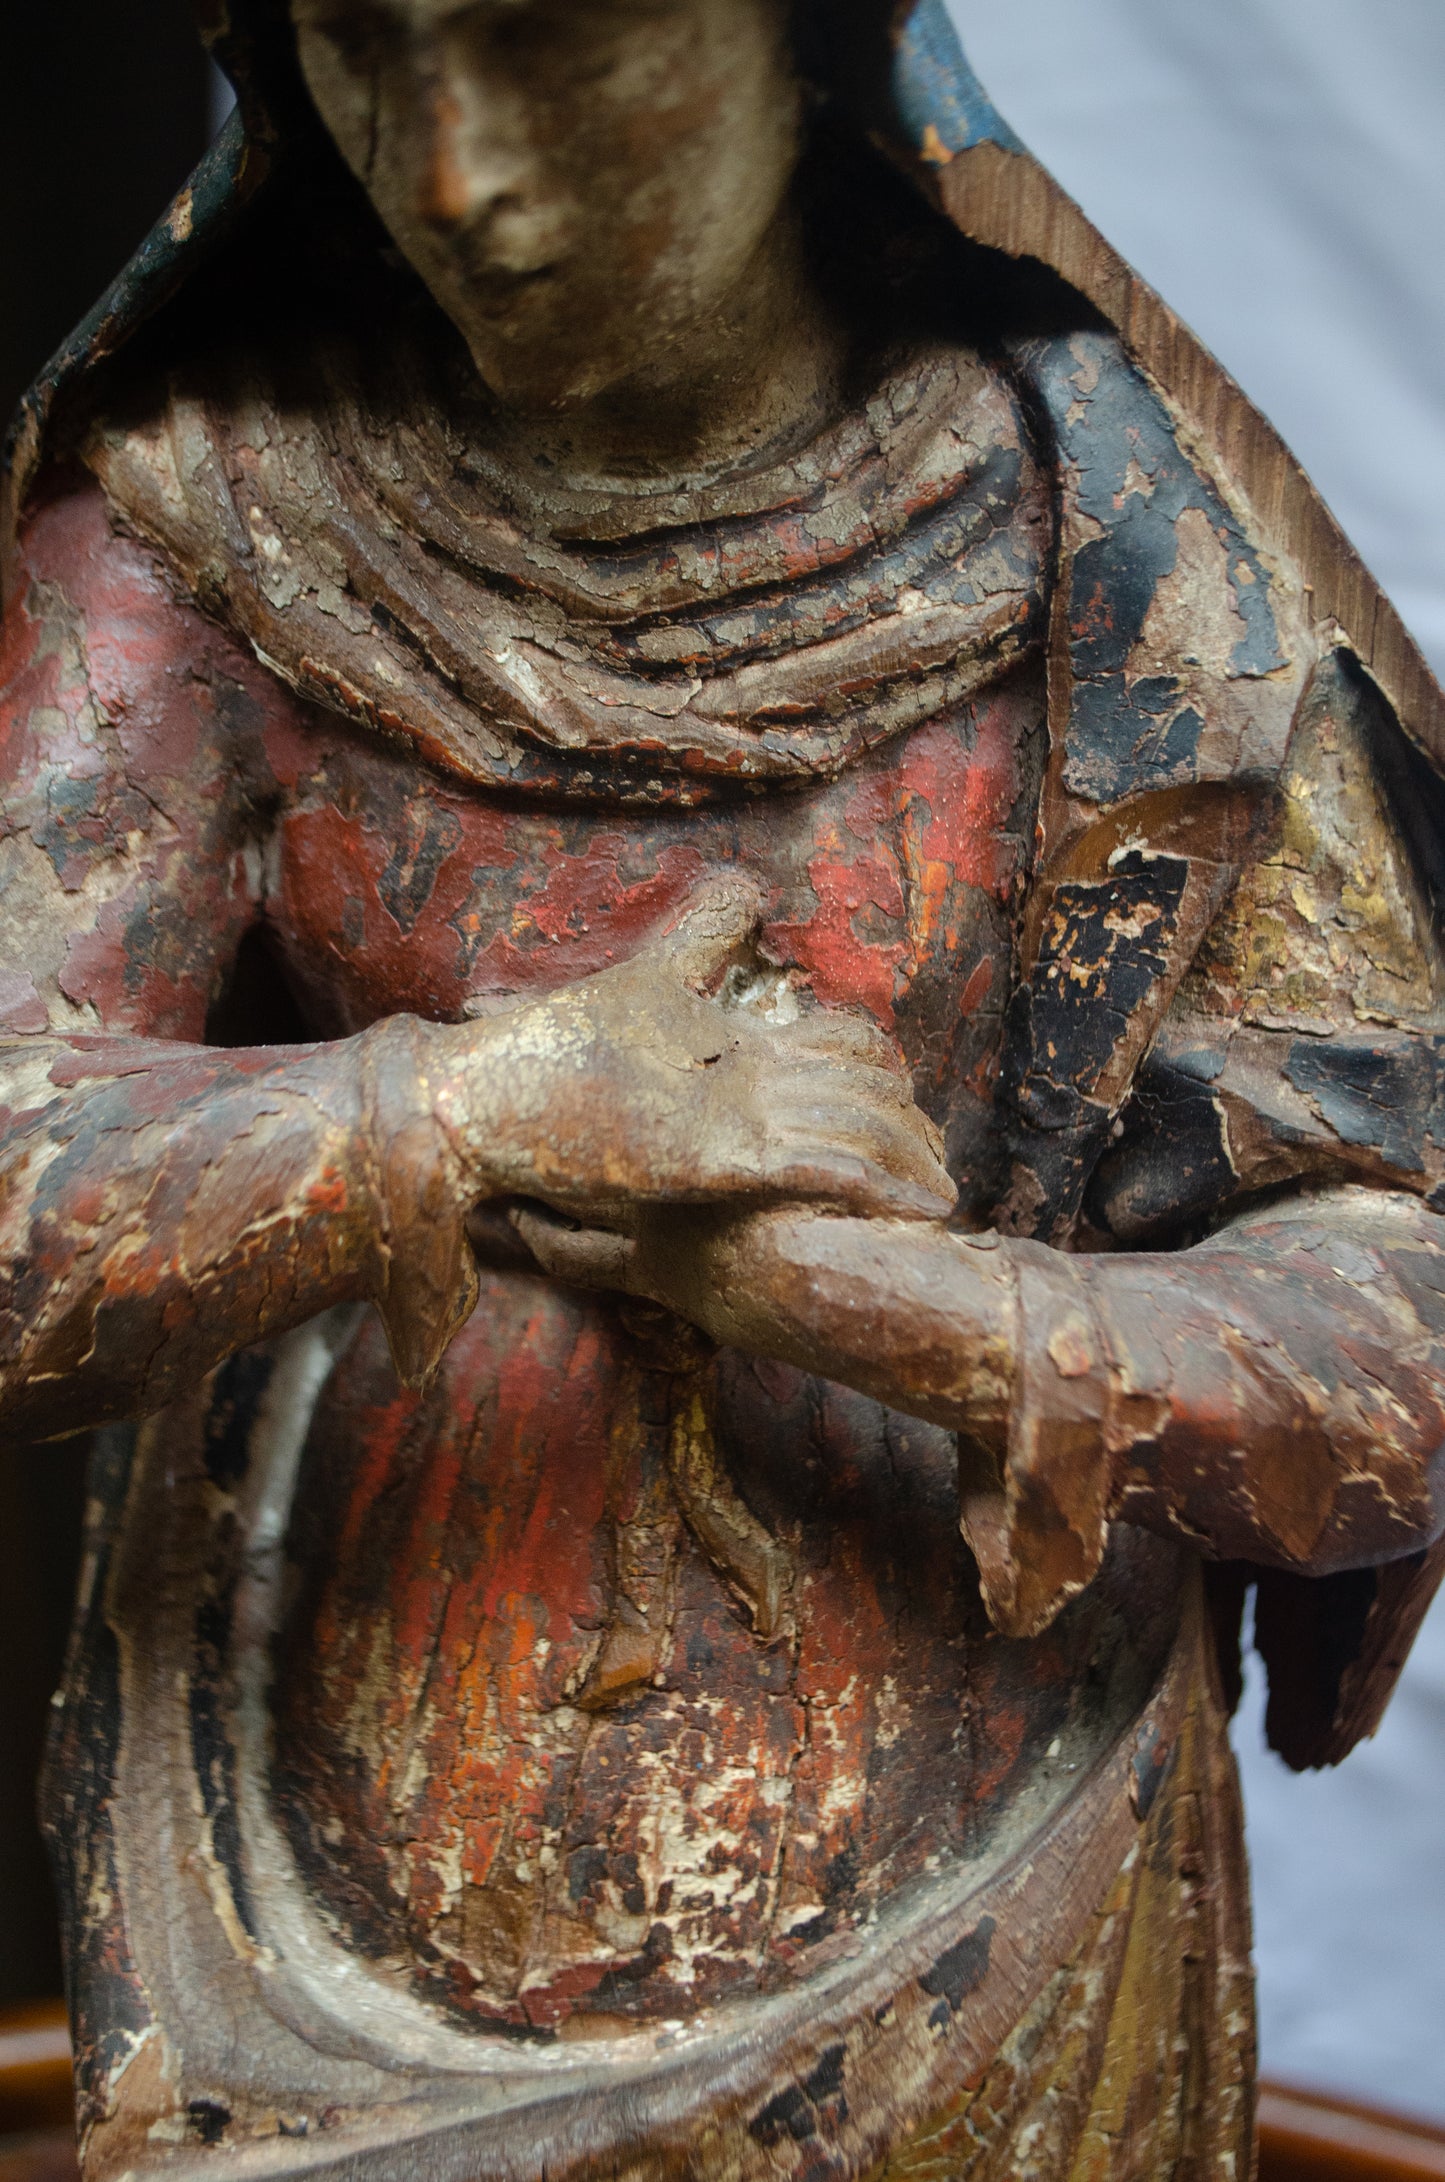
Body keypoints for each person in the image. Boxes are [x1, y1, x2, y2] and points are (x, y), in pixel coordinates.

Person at [4, 1, 1443, 2174]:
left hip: (997, 1892)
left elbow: (1402, 1333)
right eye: (371, 52)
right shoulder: (207, 526)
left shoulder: (1127, 548)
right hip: (300, 1910)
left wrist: (870, 1302)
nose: (461, 171)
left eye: (559, 48)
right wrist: (477, 1106)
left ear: (803, 37)